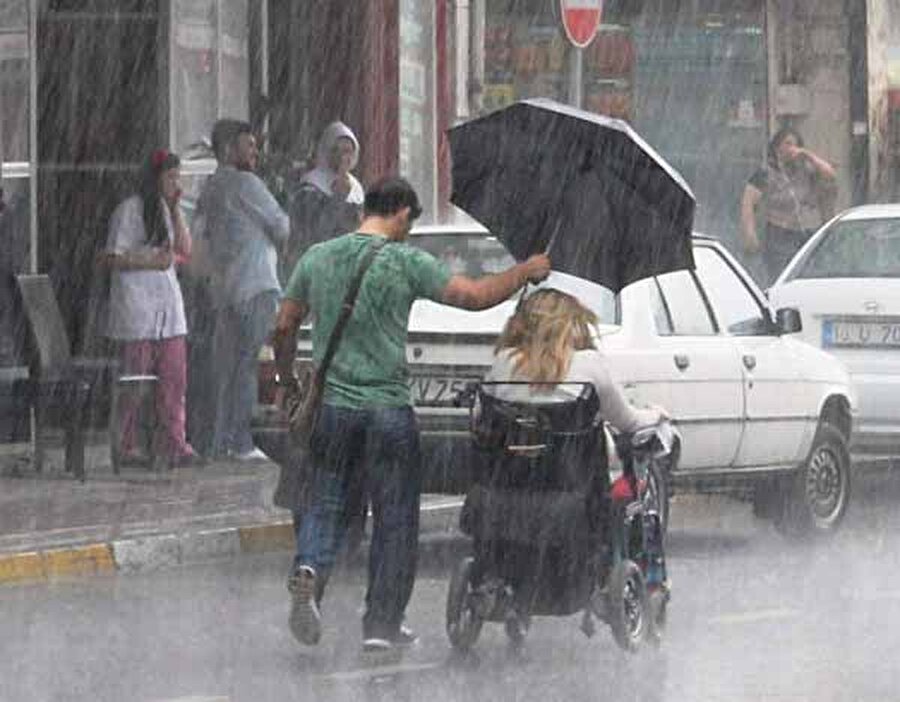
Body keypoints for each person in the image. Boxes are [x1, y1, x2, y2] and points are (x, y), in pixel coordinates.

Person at [272, 176, 550, 651]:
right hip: (388, 411)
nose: (407, 229)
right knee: (395, 518)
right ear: (401, 212)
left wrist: (289, 380)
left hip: (334, 409)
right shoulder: (405, 261)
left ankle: (310, 568)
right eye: (409, 221)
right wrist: (525, 271)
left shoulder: (318, 257)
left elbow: (283, 325)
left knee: (325, 500)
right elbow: (474, 297)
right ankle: (381, 625)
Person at [195, 119, 290, 461]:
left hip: (224, 289)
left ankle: (220, 440)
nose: (255, 152)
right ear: (228, 149)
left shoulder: (211, 187)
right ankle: (245, 440)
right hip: (256, 282)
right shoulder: (246, 184)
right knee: (250, 364)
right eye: (248, 145)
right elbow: (281, 224)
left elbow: (202, 235)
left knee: (227, 368)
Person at [104, 149, 201, 467]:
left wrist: (174, 211)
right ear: (155, 178)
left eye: (178, 177)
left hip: (168, 309)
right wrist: (148, 260)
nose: (176, 183)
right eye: (170, 177)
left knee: (175, 380)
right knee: (135, 381)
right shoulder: (129, 210)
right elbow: (111, 258)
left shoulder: (170, 209)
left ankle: (174, 441)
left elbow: (185, 249)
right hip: (137, 308)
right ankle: (127, 442)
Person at [487, 287, 665, 431]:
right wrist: (656, 414)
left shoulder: (504, 361)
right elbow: (628, 422)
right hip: (577, 471)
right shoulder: (589, 363)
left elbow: (486, 414)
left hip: (514, 469)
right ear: (569, 325)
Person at [741, 127, 838, 284]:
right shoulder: (766, 173)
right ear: (777, 147)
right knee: (781, 276)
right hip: (778, 233)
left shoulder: (805, 170)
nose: (792, 148)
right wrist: (750, 233)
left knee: (807, 276)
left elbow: (830, 174)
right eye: (787, 143)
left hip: (804, 232)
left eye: (796, 144)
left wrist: (807, 155)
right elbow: (748, 202)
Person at [282, 121, 365, 281]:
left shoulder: (355, 186)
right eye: (336, 150)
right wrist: (338, 198)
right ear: (326, 151)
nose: (343, 157)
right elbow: (316, 232)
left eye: (347, 151)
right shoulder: (311, 186)